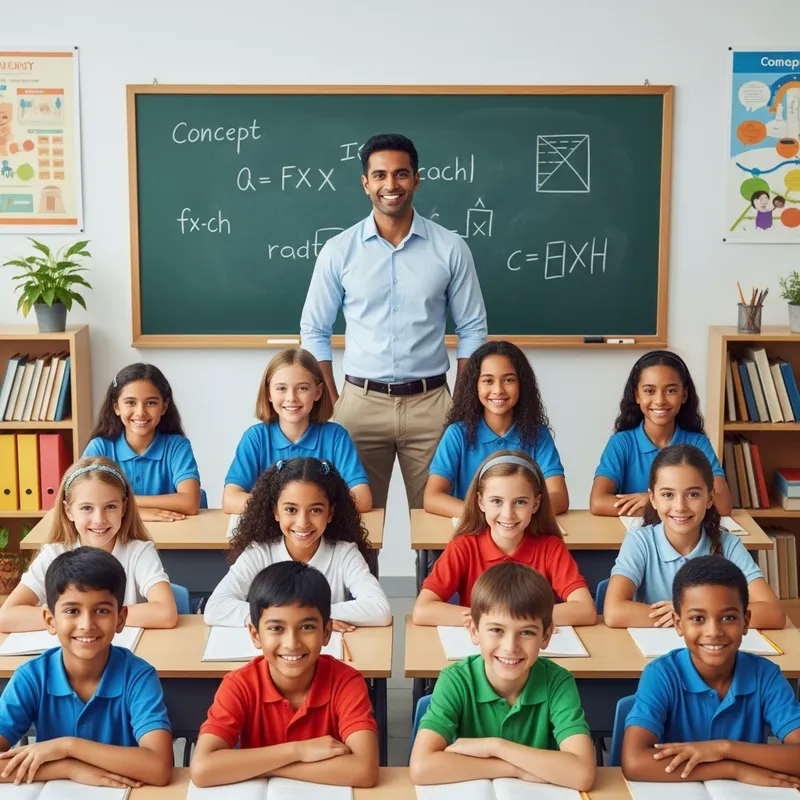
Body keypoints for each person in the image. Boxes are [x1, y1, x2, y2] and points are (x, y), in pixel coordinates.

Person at [300, 133, 487, 511]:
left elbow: (472, 329)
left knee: (442, 523)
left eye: (401, 174)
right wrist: (335, 403)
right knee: (351, 523)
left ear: (416, 179)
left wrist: (461, 404)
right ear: (365, 183)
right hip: (359, 403)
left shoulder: (450, 247)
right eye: (380, 175)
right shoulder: (339, 250)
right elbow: (315, 330)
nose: (391, 185)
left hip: (432, 403)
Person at [190, 560, 379, 788]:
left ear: (327, 632)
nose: (292, 643)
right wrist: (298, 750)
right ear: (255, 634)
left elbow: (364, 771)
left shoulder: (346, 682)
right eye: (276, 628)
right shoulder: (240, 684)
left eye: (307, 627)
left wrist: (261, 766)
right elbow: (202, 769)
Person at [409, 562, 595, 791]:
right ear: (474, 631)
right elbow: (421, 767)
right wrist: (515, 769)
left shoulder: (557, 682)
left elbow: (582, 774)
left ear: (546, 636)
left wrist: (495, 747)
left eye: (526, 632)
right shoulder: (455, 680)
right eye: (497, 630)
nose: (510, 647)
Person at [0, 548, 173, 788]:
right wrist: (68, 768)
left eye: (101, 611)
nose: (87, 624)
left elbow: (159, 768)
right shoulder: (32, 677)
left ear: (121, 618)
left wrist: (67, 746)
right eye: (72, 611)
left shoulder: (137, 676)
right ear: (50, 621)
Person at [622, 556, 800, 788]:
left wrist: (723, 747)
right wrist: (733, 768)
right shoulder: (662, 674)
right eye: (698, 618)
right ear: (678, 623)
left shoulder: (765, 675)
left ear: (746, 622)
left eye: (728, 618)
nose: (713, 631)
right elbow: (634, 763)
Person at [604, 444, 783, 629]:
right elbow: (613, 612)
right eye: (668, 494)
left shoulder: (727, 544)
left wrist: (689, 614)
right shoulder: (640, 542)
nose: (680, 506)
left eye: (692, 494)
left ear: (710, 498)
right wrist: (695, 618)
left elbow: (773, 613)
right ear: (652, 498)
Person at [413, 451, 595, 627]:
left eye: (520, 502)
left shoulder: (550, 548)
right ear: (480, 502)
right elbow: (422, 610)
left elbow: (585, 609)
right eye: (497, 501)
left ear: (536, 504)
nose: (508, 514)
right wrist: (497, 620)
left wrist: (510, 620)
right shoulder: (464, 547)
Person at [205, 457, 390, 631]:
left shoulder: (344, 553)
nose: (303, 522)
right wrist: (312, 618)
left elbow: (380, 609)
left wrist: (307, 619)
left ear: (330, 513)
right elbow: (215, 607)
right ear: (276, 512)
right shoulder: (260, 552)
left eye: (315, 510)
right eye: (291, 509)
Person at [0, 457, 177, 632]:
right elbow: (6, 617)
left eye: (110, 507)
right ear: (69, 511)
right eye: (86, 508)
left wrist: (78, 617)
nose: (99, 519)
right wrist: (79, 620)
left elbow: (166, 613)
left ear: (123, 507)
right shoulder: (54, 554)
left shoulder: (138, 552)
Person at [425, 340, 568, 517]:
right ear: (474, 386)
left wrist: (516, 515)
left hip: (521, 531)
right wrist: (488, 516)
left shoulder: (538, 435)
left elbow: (559, 497)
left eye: (508, 380)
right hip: (474, 531)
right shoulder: (457, 434)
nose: (498, 390)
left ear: (522, 385)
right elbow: (432, 497)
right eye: (488, 381)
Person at [223, 348, 371, 515]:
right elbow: (230, 499)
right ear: (268, 393)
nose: (291, 397)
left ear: (318, 392)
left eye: (302, 388)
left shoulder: (336, 436)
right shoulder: (256, 438)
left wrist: (304, 510)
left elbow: (362, 498)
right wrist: (288, 510)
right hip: (271, 537)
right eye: (281, 388)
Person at [591, 350, 732, 517]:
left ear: (684, 394)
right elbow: (598, 502)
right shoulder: (622, 443)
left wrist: (655, 502)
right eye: (649, 391)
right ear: (637, 395)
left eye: (671, 391)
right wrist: (657, 505)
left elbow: (722, 503)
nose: (660, 400)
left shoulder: (698, 443)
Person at [84, 363, 201, 522]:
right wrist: (138, 513)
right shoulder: (100, 448)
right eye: (130, 402)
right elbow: (84, 501)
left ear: (164, 407)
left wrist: (121, 505)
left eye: (151, 402)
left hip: (172, 535)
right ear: (116, 407)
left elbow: (190, 503)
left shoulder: (177, 446)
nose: (140, 412)